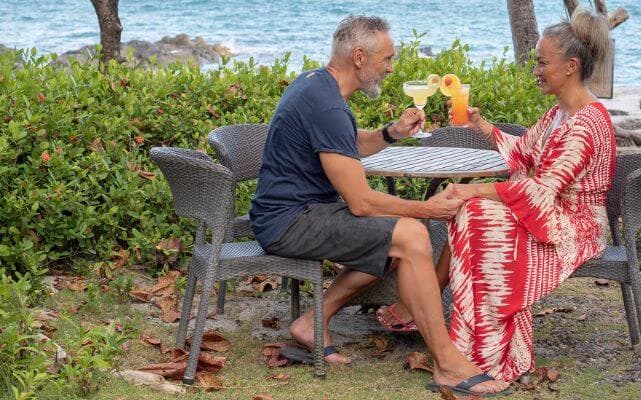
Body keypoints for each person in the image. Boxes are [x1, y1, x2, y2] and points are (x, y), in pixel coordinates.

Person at [249, 15, 510, 396]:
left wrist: (392, 133)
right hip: (289, 221)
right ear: (359, 57)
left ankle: (311, 322)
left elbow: (345, 143)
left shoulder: (316, 85)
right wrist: (429, 209)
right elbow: (361, 203)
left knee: (394, 240)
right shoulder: (328, 105)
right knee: (410, 235)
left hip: (297, 213)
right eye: (386, 59)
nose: (391, 67)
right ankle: (447, 363)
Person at [375, 9, 617, 382]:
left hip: (577, 227)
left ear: (570, 66)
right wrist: (482, 125)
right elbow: (524, 151)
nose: (535, 70)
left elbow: (539, 189)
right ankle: (463, 334)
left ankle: (481, 348)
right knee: (474, 213)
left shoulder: (586, 123)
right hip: (552, 212)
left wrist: (471, 189)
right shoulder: (560, 113)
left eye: (541, 63)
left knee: (476, 213)